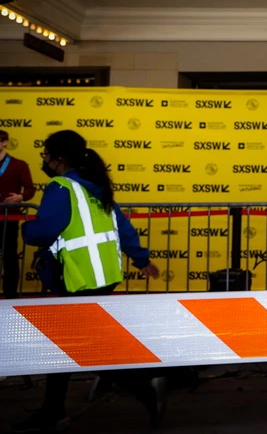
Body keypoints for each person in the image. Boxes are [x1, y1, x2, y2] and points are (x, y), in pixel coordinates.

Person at [13, 130, 164, 434]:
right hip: (102, 276)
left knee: (78, 349)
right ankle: (52, 411)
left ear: (59, 158)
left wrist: (25, 230)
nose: (43, 159)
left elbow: (44, 232)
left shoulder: (61, 187)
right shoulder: (96, 186)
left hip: (80, 279)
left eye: (45, 154)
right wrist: (141, 259)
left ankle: (145, 386)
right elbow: (123, 227)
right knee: (67, 346)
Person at [1, 129, 36, 299]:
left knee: (9, 257)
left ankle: (10, 295)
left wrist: (20, 196)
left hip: (9, 217)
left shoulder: (18, 165)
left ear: (5, 142)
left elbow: (30, 189)